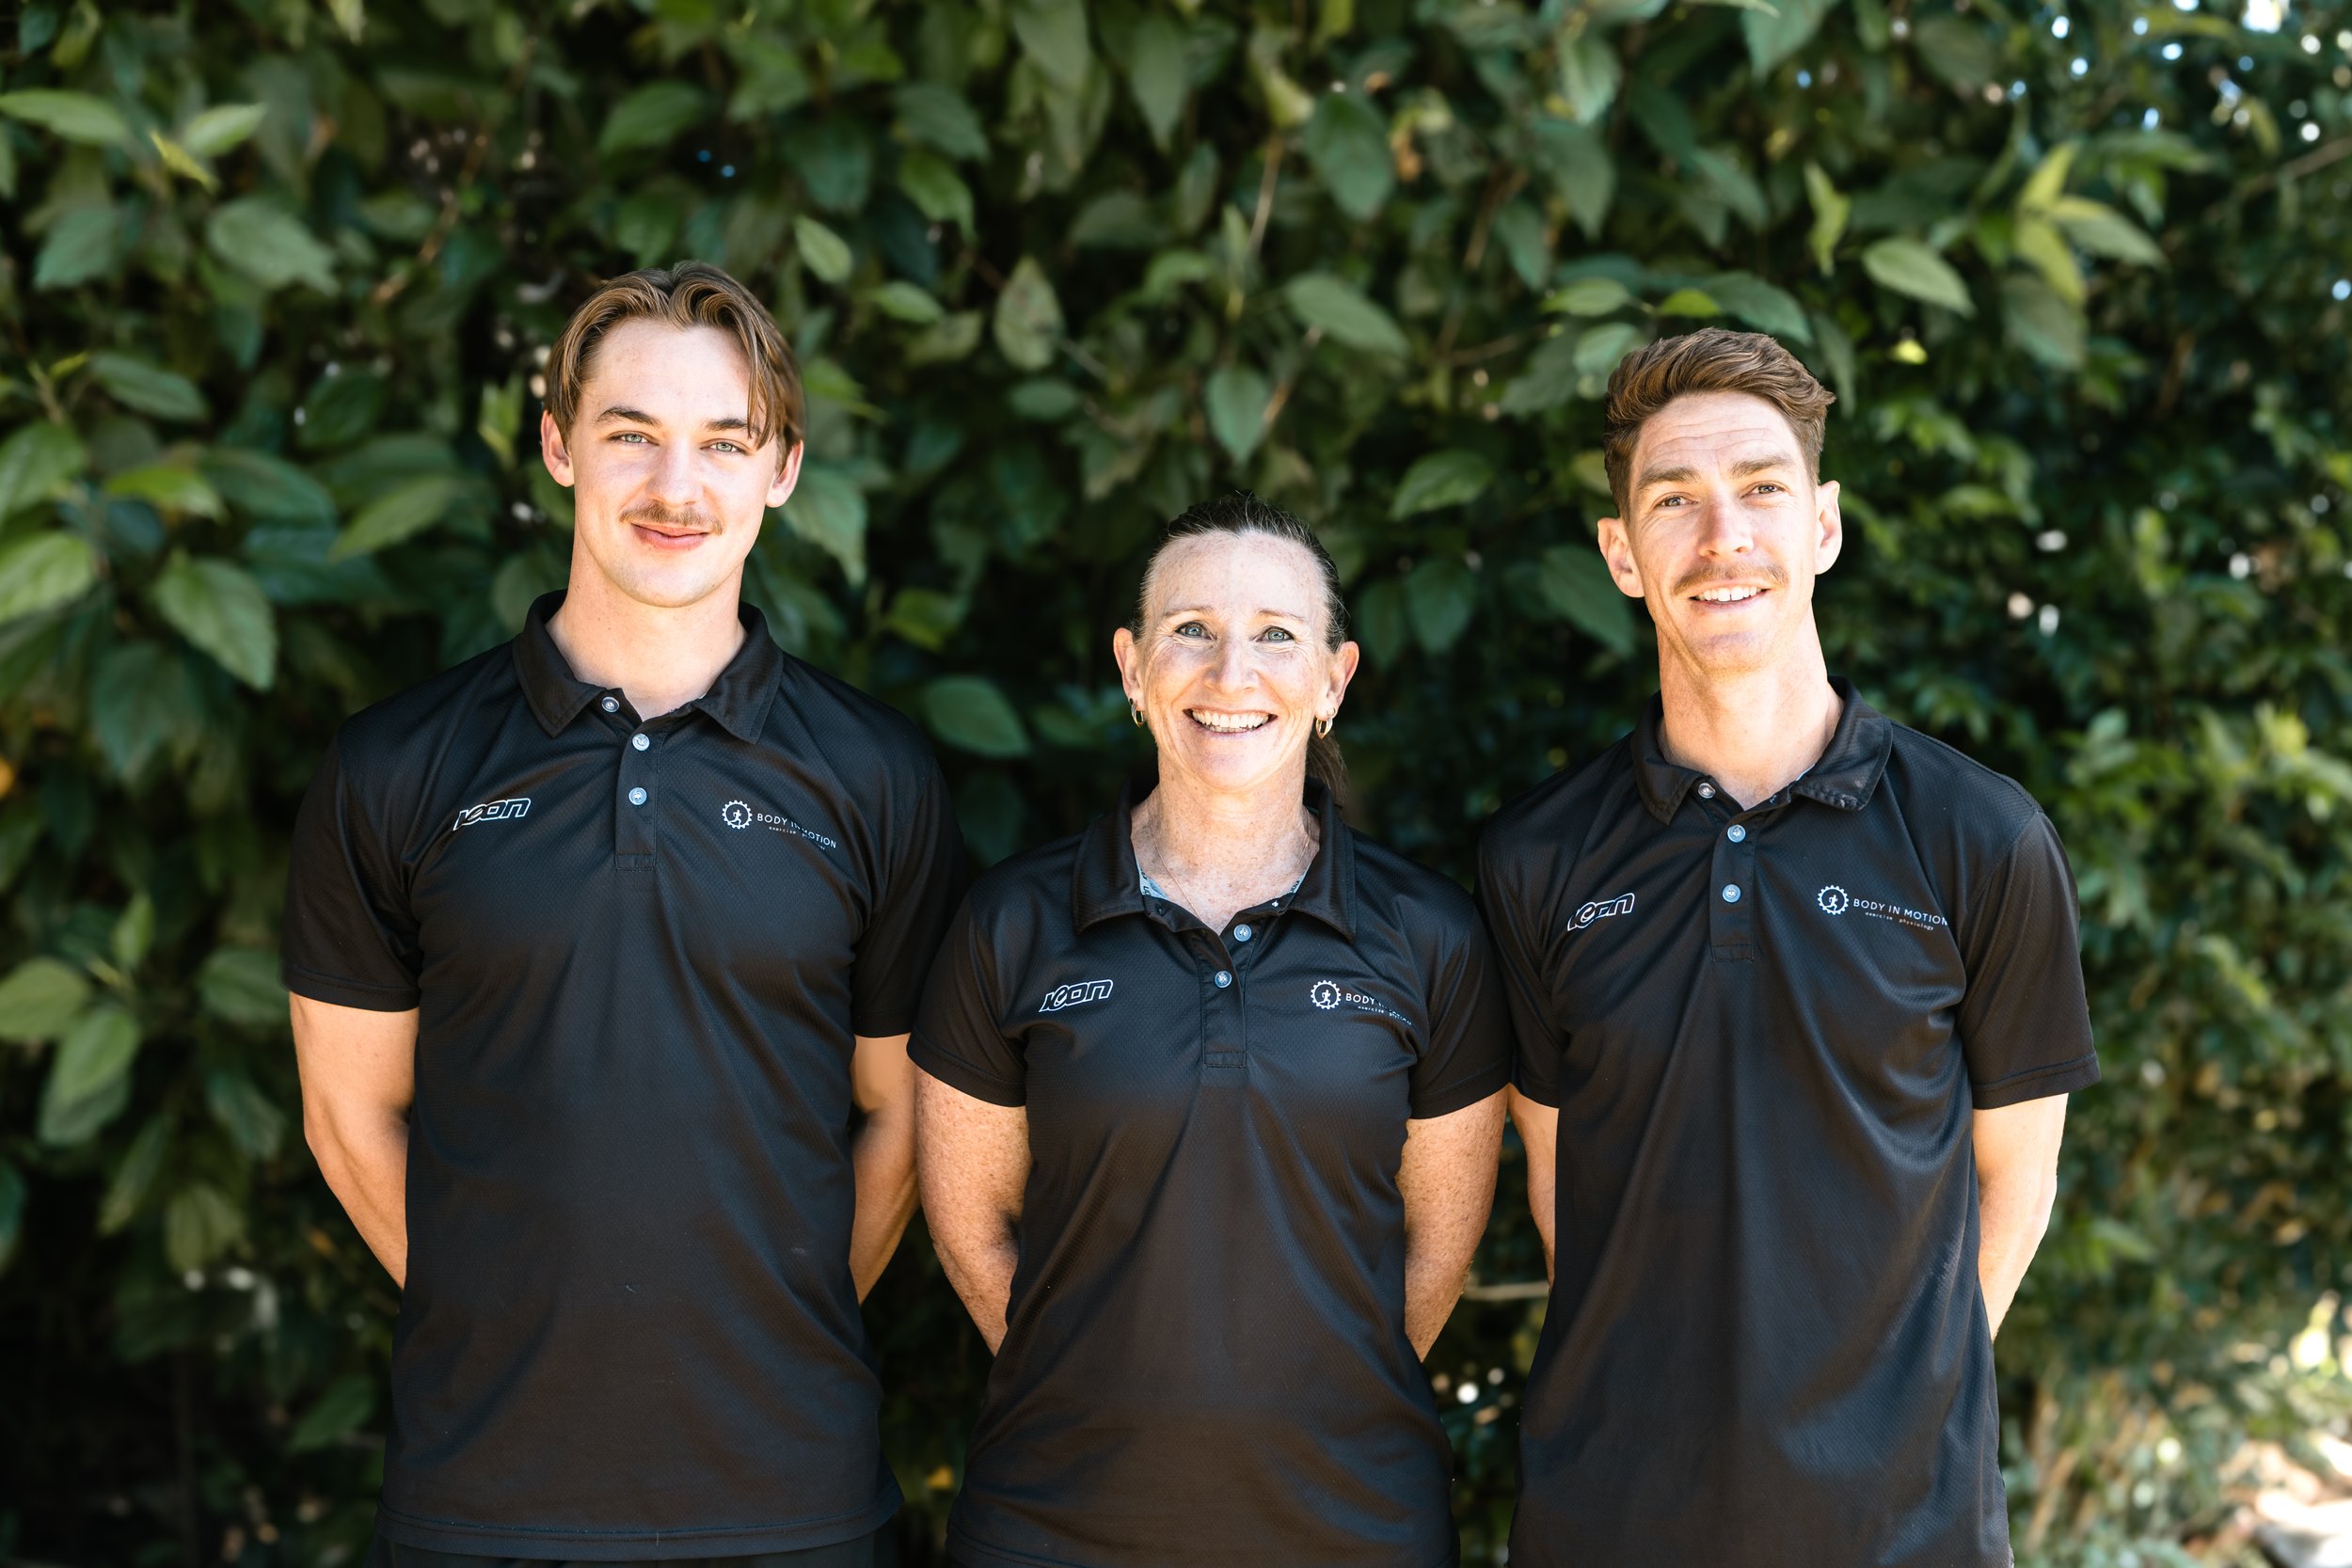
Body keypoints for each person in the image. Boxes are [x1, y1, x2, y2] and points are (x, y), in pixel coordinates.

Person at [283, 262, 965, 1568]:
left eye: (724, 441)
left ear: (782, 468)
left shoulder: (876, 777)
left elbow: (900, 1120)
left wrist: (766, 1321)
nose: (675, 486)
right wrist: (505, 1319)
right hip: (479, 1499)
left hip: (794, 1499)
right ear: (556, 446)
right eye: (630, 434)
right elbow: (349, 1113)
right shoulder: (396, 766)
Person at [1481, 328, 2099, 1567]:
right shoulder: (1537, 860)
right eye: (1675, 500)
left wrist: (1891, 1402)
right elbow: (1567, 1189)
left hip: (1901, 1527)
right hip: (1612, 1518)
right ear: (1621, 553)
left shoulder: (1980, 834)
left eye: (1761, 488)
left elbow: (2014, 1185)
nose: (1723, 538)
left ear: (1822, 526)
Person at [912, 493, 1513, 1568]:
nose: (1231, 674)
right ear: (1132, 666)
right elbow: (971, 1221)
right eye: (1190, 628)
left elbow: (1433, 1248)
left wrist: (1318, 1401)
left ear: (1333, 680)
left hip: (1354, 1524)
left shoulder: (1431, 937)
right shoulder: (1012, 921)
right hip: (1052, 1524)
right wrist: (1093, 1385)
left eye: (1277, 634)